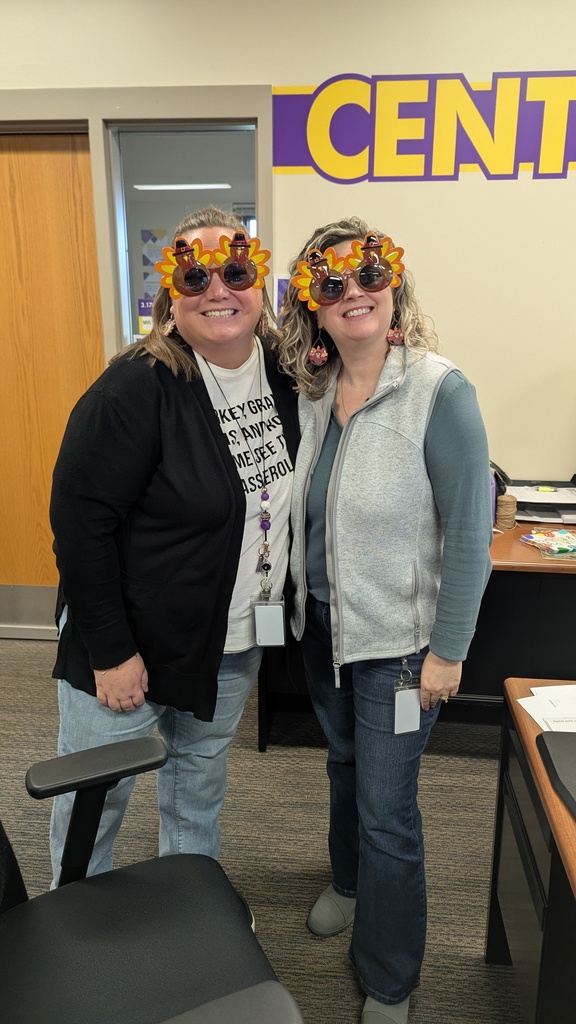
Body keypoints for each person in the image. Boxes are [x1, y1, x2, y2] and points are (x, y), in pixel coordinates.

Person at [277, 217, 492, 1024]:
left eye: (367, 275)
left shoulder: (441, 391)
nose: (353, 292)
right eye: (331, 285)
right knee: (342, 769)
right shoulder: (315, 393)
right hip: (323, 629)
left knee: (388, 809)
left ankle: (391, 975)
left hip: (402, 652)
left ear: (392, 283)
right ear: (315, 308)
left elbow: (470, 531)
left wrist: (449, 652)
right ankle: (348, 879)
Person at [49, 206, 298, 881]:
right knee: (94, 800)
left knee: (197, 789)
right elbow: (80, 525)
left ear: (260, 287)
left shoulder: (285, 372)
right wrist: (112, 650)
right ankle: (73, 930)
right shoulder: (134, 388)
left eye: (235, 271)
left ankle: (190, 914)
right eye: (194, 278)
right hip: (131, 649)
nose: (218, 290)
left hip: (231, 642)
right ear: (170, 299)